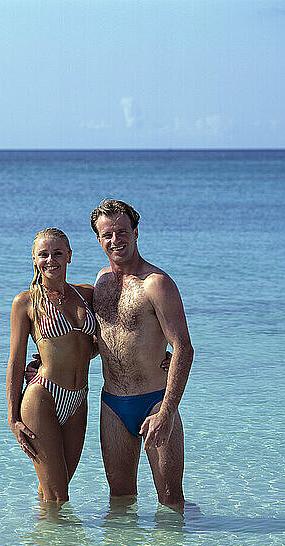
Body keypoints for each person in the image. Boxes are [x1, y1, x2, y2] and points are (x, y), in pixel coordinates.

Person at [91, 198, 194, 513]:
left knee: (171, 502)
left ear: (136, 233)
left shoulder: (156, 284)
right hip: (112, 405)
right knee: (120, 503)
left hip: (154, 401)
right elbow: (101, 341)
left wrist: (166, 413)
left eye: (122, 231)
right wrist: (47, 361)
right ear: (98, 239)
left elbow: (183, 349)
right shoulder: (101, 283)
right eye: (107, 234)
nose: (115, 240)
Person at [6, 228, 97, 503]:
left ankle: (42, 542)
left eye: (58, 253)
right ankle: (56, 544)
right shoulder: (26, 302)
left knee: (54, 488)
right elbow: (15, 361)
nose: (51, 260)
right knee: (59, 496)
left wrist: (159, 355)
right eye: (43, 254)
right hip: (42, 397)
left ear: (69, 255)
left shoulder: (88, 295)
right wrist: (13, 419)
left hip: (79, 398)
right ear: (34, 259)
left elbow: (103, 342)